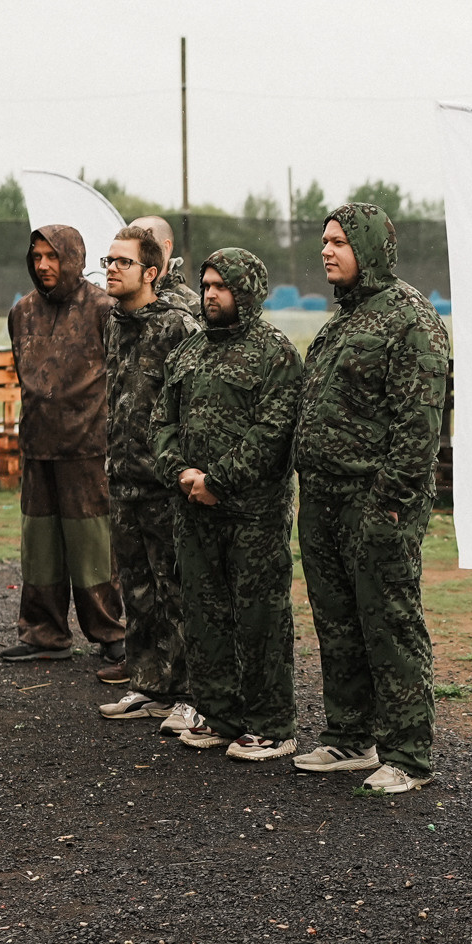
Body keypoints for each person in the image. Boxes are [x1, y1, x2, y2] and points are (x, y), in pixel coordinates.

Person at [290, 203, 450, 794]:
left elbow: (418, 427)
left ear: (370, 249)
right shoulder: (339, 323)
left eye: (339, 242)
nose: (327, 251)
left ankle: (409, 753)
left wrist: (390, 504)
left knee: (389, 620)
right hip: (324, 499)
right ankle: (350, 737)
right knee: (337, 621)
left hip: (376, 501)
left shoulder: (411, 320)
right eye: (324, 241)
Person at [151, 247, 303, 760]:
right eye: (207, 284)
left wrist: (219, 479)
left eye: (222, 286)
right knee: (204, 614)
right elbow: (162, 423)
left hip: (251, 514)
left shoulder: (274, 353)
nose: (212, 294)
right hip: (193, 509)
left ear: (248, 291)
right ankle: (219, 714)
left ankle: (270, 723)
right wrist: (181, 472)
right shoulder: (189, 352)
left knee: (259, 617)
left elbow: (273, 432)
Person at [94, 226, 203, 729]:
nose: (111, 268)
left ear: (152, 272)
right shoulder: (114, 323)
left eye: (122, 261)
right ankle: (149, 684)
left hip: (165, 485)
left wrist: (184, 470)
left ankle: (188, 692)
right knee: (135, 590)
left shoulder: (178, 327)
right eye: (108, 260)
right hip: (123, 481)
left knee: (175, 589)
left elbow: (194, 407)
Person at [2, 224, 126, 667]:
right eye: (36, 256)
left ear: (72, 257)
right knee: (40, 548)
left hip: (88, 448)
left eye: (52, 256)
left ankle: (110, 632)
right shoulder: (21, 312)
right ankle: (44, 634)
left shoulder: (105, 309)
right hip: (37, 446)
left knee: (92, 546)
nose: (43, 265)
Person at [132, 214, 201, 318]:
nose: (132, 249)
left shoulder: (191, 306)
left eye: (144, 243)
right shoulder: (119, 299)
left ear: (166, 247)